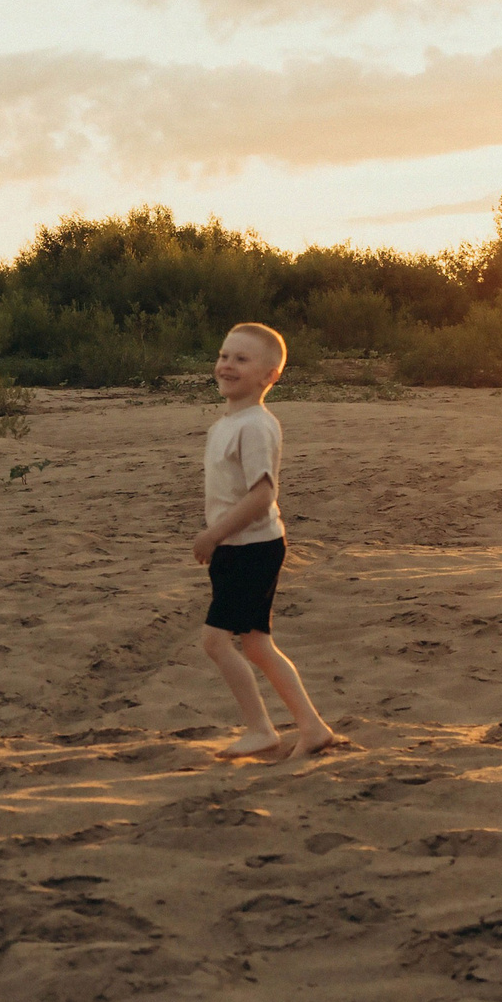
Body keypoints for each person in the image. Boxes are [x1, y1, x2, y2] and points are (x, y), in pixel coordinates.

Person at [193, 323, 336, 761]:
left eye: (241, 359)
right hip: (239, 548)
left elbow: (263, 494)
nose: (227, 365)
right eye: (224, 355)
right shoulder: (229, 422)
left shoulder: (256, 425)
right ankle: (311, 727)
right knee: (255, 644)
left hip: (251, 548)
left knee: (216, 642)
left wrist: (214, 533)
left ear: (269, 375)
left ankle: (261, 730)